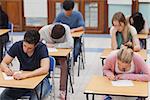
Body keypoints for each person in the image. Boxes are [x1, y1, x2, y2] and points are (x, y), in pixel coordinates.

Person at [0, 30, 51, 100]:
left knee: (36, 97)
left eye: (29, 48)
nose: (25, 50)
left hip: (41, 80)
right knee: (4, 96)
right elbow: (3, 63)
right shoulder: (17, 46)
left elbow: (45, 69)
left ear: (36, 45)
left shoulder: (42, 48)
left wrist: (25, 75)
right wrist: (6, 69)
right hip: (23, 80)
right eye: (24, 46)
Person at [39, 23, 73, 99]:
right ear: (50, 31)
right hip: (47, 55)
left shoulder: (66, 28)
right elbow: (36, 43)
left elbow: (70, 44)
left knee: (64, 64)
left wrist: (54, 45)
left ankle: (62, 90)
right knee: (41, 63)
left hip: (61, 55)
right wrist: (44, 46)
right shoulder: (43, 30)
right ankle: (44, 84)